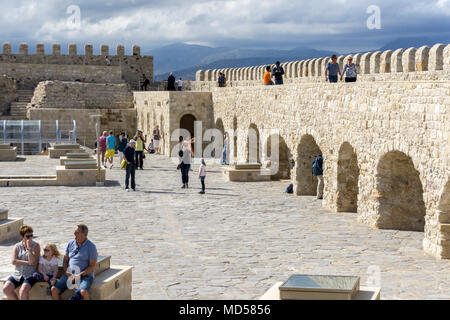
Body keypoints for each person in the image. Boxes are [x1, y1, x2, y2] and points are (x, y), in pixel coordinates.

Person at [51, 224, 98, 301]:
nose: (74, 234)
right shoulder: (70, 244)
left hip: (85, 275)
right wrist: (67, 272)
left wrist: (78, 275)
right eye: (74, 232)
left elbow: (92, 266)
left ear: (84, 234)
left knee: (83, 292)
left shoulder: (91, 247)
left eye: (77, 232)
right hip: (70, 274)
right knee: (54, 289)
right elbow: (65, 261)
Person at [2, 225, 40, 300]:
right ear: (22, 237)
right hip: (18, 274)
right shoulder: (17, 246)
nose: (30, 238)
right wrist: (27, 263)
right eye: (27, 236)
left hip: (31, 274)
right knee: (6, 289)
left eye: (31, 235)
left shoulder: (36, 246)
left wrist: (29, 248)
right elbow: (13, 261)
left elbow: (33, 262)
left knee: (22, 291)